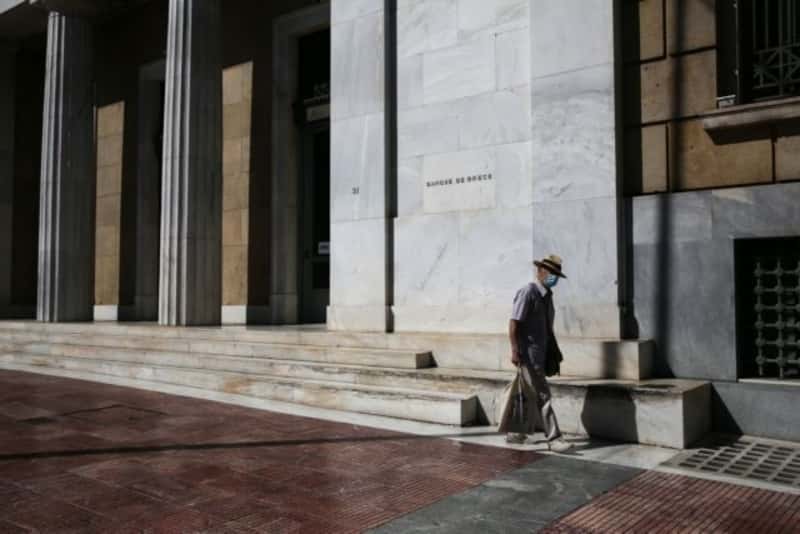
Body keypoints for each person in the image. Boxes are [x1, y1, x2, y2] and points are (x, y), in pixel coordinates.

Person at [506, 254, 572, 452]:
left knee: (529, 394)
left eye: (557, 275)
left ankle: (516, 433)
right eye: (551, 273)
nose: (554, 278)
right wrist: (515, 350)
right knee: (543, 394)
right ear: (540, 271)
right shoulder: (528, 292)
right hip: (528, 355)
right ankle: (554, 438)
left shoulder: (548, 297)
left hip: (541, 355)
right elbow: (514, 323)